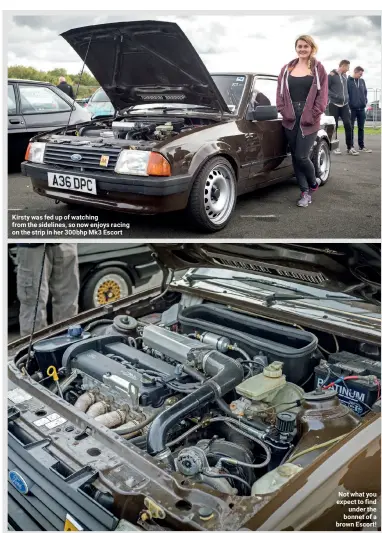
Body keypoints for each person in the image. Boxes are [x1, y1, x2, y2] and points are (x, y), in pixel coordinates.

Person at [276, 34, 328, 208]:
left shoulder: (318, 69)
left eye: (306, 46)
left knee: (302, 156)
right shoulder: (286, 69)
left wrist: (313, 114)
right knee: (295, 159)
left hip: (309, 118)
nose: (302, 49)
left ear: (312, 48)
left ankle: (313, 183)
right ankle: (305, 192)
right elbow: (280, 93)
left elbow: (322, 96)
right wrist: (283, 110)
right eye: (299, 46)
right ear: (296, 48)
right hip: (290, 118)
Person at [16, 244, 79, 336]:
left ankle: (68, 344)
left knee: (68, 302)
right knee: (34, 306)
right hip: (33, 242)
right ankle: (36, 348)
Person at [328, 60, 358, 156]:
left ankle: (350, 147)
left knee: (348, 125)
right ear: (343, 66)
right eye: (348, 67)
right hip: (334, 104)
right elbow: (326, 89)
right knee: (334, 126)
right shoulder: (331, 76)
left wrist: (347, 98)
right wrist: (335, 96)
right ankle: (335, 148)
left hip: (345, 105)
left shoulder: (345, 76)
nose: (349, 69)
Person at [348, 66, 372, 153]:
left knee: (361, 128)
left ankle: (361, 146)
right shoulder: (348, 81)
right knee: (351, 128)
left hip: (361, 108)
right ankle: (351, 146)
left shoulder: (362, 81)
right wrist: (349, 105)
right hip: (352, 109)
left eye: (362, 74)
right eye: (360, 74)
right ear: (355, 72)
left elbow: (365, 92)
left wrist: (365, 101)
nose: (361, 76)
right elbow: (347, 94)